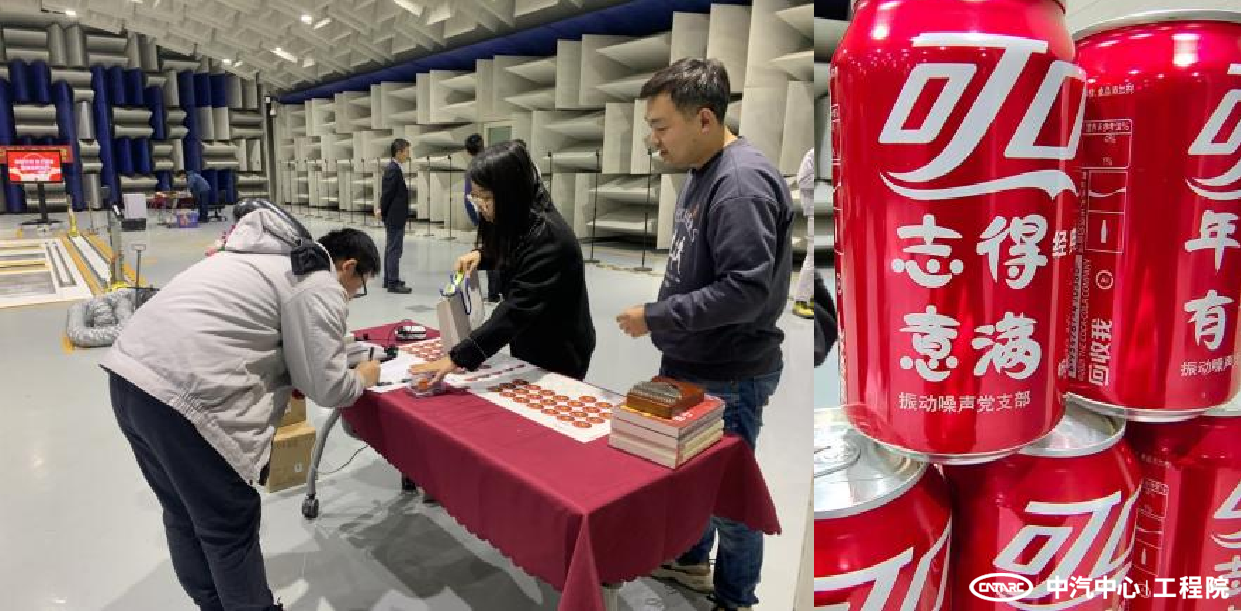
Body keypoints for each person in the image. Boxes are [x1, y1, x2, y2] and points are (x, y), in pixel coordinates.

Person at [102, 204, 383, 611]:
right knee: (228, 524)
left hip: (130, 379)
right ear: (348, 266)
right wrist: (364, 377)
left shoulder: (254, 257)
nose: (353, 297)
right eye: (359, 287)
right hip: (186, 400)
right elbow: (327, 388)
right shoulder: (316, 278)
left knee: (182, 513)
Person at [615, 58, 794, 612]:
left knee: (728, 497)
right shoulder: (702, 170)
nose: (654, 139)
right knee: (692, 478)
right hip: (694, 362)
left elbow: (745, 292)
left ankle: (735, 598)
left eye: (661, 126)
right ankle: (692, 562)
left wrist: (657, 316)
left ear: (705, 119)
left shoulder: (740, 185)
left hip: (728, 373)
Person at [412, 141, 595, 383]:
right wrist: (483, 255)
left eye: (486, 198)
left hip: (559, 348)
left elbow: (516, 310)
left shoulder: (549, 237)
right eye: (476, 198)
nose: (481, 207)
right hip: (529, 337)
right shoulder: (521, 214)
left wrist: (458, 357)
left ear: (509, 192)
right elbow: (514, 245)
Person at [376, 138, 413, 294]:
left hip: (394, 216)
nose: (408, 155)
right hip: (394, 216)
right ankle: (393, 282)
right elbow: (387, 194)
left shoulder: (395, 168)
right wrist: (382, 211)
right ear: (398, 152)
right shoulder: (393, 169)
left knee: (391, 248)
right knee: (394, 250)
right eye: (406, 152)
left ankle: (388, 279)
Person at [792, 149, 816, 319]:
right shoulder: (812, 154)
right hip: (812, 208)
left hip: (814, 207)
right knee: (812, 257)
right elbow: (803, 180)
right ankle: (800, 300)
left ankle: (810, 295)